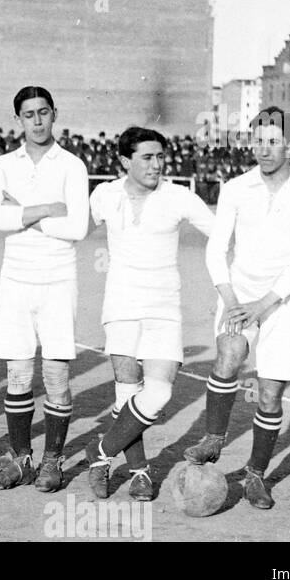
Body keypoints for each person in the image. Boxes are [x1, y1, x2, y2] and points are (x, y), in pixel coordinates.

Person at [189, 107, 290, 509]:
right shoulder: (235, 188)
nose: (262, 150)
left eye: (272, 142)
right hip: (239, 294)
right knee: (229, 353)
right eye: (257, 141)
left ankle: (255, 476)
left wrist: (263, 304)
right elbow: (216, 249)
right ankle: (214, 436)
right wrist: (231, 301)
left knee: (268, 396)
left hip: (284, 302)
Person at [84, 127, 215, 501]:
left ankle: (101, 452)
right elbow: (72, 227)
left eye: (160, 156)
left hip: (164, 308)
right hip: (121, 305)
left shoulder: (179, 197)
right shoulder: (104, 195)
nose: (157, 164)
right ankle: (140, 473)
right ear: (125, 161)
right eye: (147, 157)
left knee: (156, 393)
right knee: (127, 394)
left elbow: (219, 233)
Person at [0, 86, 90, 492]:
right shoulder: (4, 164)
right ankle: (21, 458)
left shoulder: (73, 165)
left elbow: (77, 228)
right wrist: (46, 208)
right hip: (16, 278)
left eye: (44, 112)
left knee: (57, 376)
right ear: (19, 120)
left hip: (59, 279)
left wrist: (21, 212)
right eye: (29, 115)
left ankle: (52, 461)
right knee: (18, 374)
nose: (38, 121)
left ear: (54, 114)